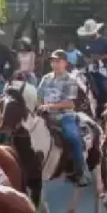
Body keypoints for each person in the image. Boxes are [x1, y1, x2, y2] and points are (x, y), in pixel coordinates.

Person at [36, 51, 91, 187]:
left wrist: (50, 106)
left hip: (64, 116)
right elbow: (38, 96)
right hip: (45, 115)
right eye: (53, 61)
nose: (55, 64)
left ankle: (81, 171)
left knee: (73, 137)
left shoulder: (70, 80)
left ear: (65, 63)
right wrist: (39, 106)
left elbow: (70, 103)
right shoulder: (46, 78)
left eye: (58, 61)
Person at [77, 19, 107, 114]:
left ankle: (103, 106)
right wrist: (86, 59)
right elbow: (84, 55)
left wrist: (99, 57)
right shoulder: (85, 43)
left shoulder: (104, 41)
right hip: (88, 68)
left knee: (103, 87)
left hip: (102, 68)